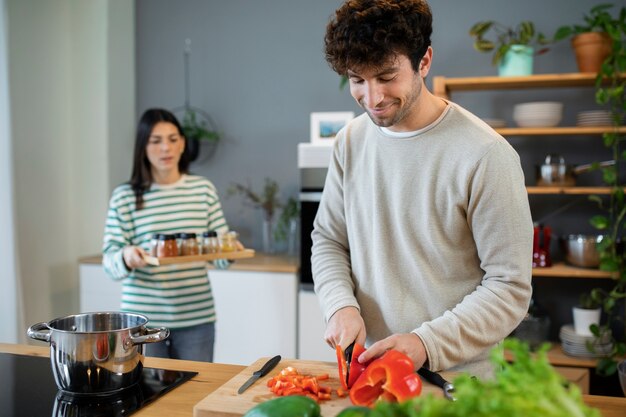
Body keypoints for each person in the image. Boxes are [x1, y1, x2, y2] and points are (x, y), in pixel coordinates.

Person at [312, 0, 533, 379]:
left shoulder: (486, 155)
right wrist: (340, 306)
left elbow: (509, 287)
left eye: (386, 77)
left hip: (457, 381)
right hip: (370, 372)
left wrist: (423, 344)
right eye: (356, 80)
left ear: (424, 62)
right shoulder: (350, 142)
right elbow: (329, 239)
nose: (372, 97)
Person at [102, 108, 230, 362]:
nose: (166, 148)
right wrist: (127, 256)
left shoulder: (202, 189)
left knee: (194, 394)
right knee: (144, 397)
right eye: (156, 141)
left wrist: (231, 249)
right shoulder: (125, 196)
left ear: (182, 144)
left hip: (197, 319)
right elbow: (110, 262)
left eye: (173, 139)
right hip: (141, 324)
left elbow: (221, 256)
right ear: (143, 147)